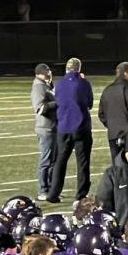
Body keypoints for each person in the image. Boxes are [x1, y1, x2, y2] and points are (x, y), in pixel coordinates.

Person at [47, 57, 95, 203]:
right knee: (83, 162)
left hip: (63, 127)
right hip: (81, 126)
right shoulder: (83, 83)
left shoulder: (59, 84)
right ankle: (81, 194)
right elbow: (90, 103)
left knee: (60, 161)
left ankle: (53, 192)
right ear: (79, 69)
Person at [98, 61, 128, 162]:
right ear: (126, 73)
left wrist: (112, 125)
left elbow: (101, 114)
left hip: (113, 134)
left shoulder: (107, 90)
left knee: (117, 166)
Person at [31, 63, 58, 200]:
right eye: (47, 73)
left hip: (52, 127)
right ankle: (43, 190)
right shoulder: (38, 86)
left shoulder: (46, 85)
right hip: (45, 128)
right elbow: (40, 108)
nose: (49, 74)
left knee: (53, 161)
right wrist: (57, 102)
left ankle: (52, 189)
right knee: (46, 160)